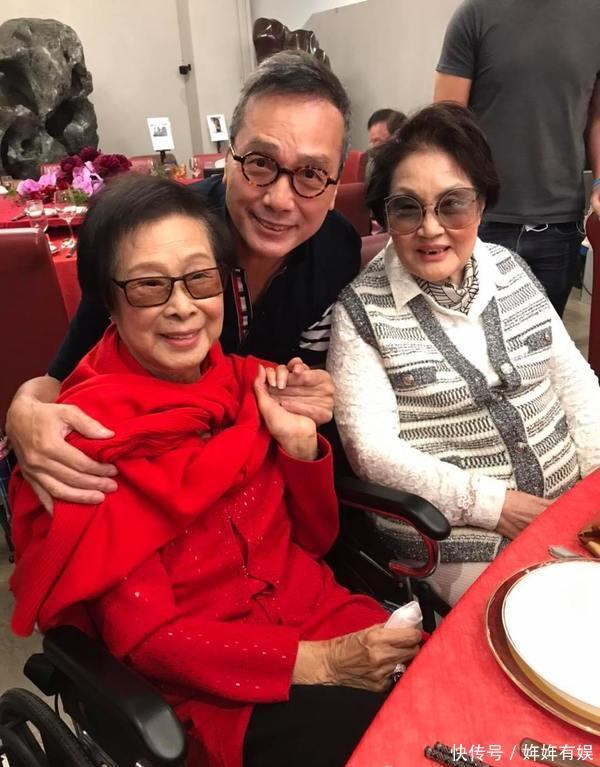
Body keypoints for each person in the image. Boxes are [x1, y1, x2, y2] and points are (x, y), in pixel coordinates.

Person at [9, 175, 421, 767]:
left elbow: (313, 544)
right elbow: (151, 641)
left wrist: (299, 448)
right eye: (149, 285)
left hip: (325, 617)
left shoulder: (249, 384)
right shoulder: (82, 442)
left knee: (457, 701)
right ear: (108, 299)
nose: (182, 307)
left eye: (199, 279)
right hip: (221, 690)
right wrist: (323, 663)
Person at [6, 50, 359, 511]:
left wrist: (312, 393)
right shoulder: (157, 237)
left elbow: (309, 386)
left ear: (334, 187)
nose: (279, 198)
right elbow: (62, 377)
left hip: (266, 488)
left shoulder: (337, 250)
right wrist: (23, 410)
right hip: (154, 488)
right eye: (259, 162)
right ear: (228, 158)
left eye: (311, 174)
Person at [327, 103, 600, 605]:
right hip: (457, 533)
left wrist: (593, 481)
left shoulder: (510, 268)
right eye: (407, 207)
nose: (430, 229)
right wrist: (496, 506)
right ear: (385, 214)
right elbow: (372, 453)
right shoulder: (361, 311)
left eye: (451, 204)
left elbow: (573, 380)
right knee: (560, 616)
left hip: (571, 499)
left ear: (481, 203)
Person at [434, 0, 600, 317]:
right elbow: (445, 124)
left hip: (560, 226)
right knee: (471, 338)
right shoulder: (475, 14)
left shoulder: (595, 16)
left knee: (543, 340)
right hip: (482, 220)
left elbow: (597, 118)